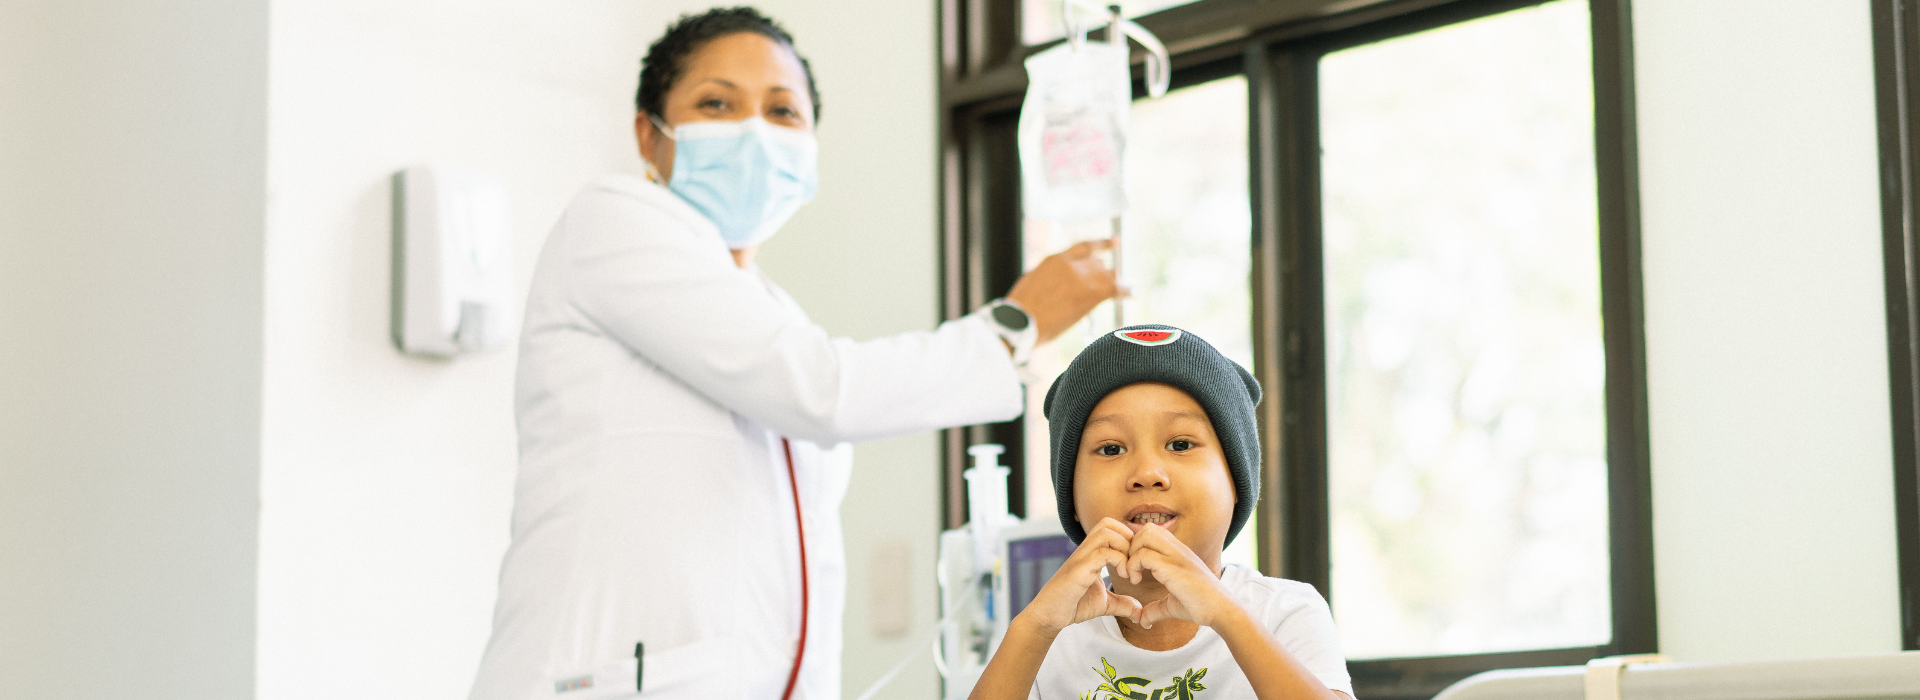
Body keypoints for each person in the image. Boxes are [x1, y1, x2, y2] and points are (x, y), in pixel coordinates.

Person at [467, 7, 1122, 700]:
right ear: (647, 134)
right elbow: (825, 391)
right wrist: (1014, 325)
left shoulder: (774, 313)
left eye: (783, 111)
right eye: (716, 103)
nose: (754, 130)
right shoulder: (609, 225)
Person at [968, 326, 1353, 700]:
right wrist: (1033, 627)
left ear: (1237, 481)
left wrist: (1226, 616)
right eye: (1111, 449)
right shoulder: (1047, 637)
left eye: (1181, 443)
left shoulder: (1284, 612)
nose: (1147, 474)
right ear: (1070, 495)